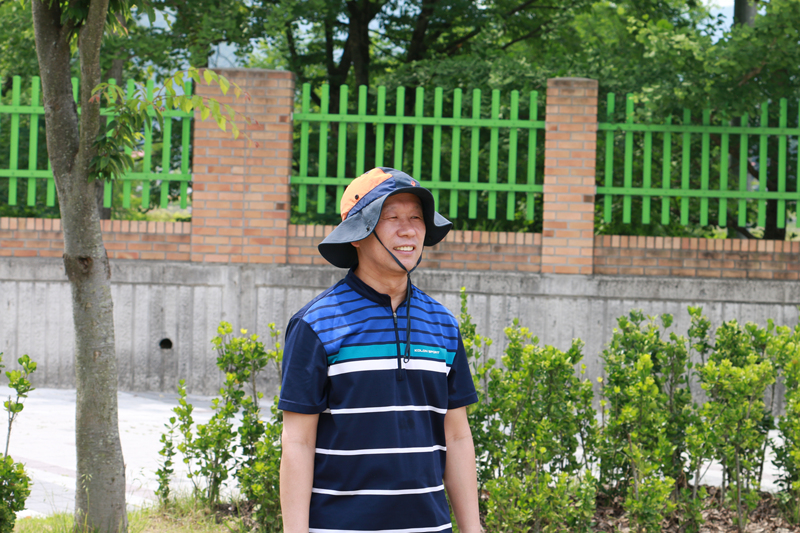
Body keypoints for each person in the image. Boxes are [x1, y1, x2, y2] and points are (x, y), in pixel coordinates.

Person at [278, 167, 481, 533]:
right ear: (357, 235)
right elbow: (298, 441)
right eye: (391, 218)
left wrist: (473, 529)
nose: (409, 230)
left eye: (416, 218)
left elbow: (457, 436)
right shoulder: (316, 324)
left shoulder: (443, 324)